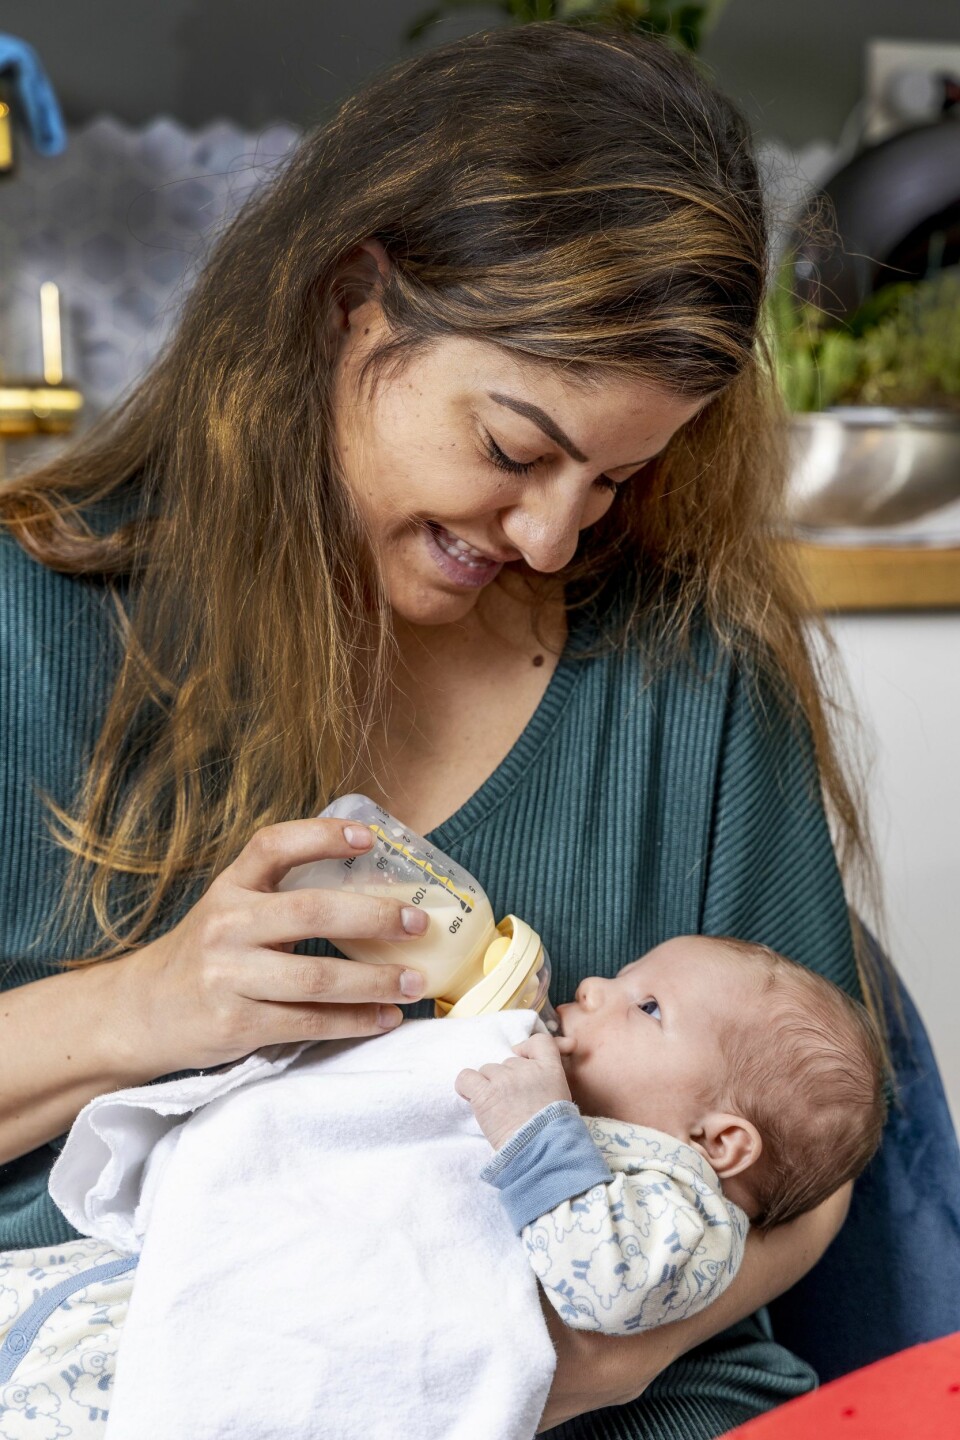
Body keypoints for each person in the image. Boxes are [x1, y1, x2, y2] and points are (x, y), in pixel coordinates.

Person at [0, 20, 886, 1437]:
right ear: (354, 302)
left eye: (614, 479)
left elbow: (814, 1165)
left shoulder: (685, 677)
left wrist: (586, 1360)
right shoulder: (32, 631)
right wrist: (147, 1007)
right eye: (513, 450)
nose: (549, 537)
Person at [457, 935, 887, 1335]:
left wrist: (534, 1137)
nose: (590, 987)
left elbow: (611, 1287)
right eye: (622, 977)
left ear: (718, 1142)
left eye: (649, 1008)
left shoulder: (689, 1221)